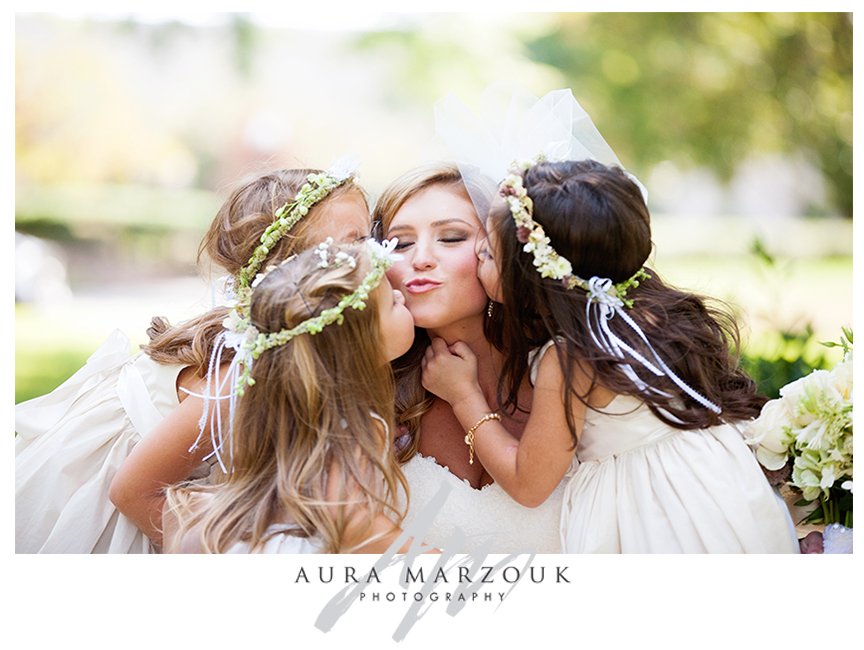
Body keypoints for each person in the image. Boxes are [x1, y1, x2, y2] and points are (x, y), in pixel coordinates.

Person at [422, 158, 801, 553]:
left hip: (654, 517)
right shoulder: (652, 312)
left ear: (528, 277)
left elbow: (528, 483)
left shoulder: (572, 359)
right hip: (723, 492)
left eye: (487, 255)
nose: (478, 256)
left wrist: (464, 396)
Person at [15, 164, 371, 553]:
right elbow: (132, 492)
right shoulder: (245, 376)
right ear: (289, 272)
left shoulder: (296, 346)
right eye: (352, 245)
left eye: (372, 238)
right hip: (105, 505)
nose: (374, 257)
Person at [162, 238, 418, 554]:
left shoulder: (287, 408)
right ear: (359, 347)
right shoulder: (354, 426)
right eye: (390, 304)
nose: (398, 295)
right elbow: (356, 525)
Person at [374, 162, 565, 554]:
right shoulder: (369, 391)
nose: (421, 259)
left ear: (502, 249)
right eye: (401, 243)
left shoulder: (570, 371)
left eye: (451, 237)